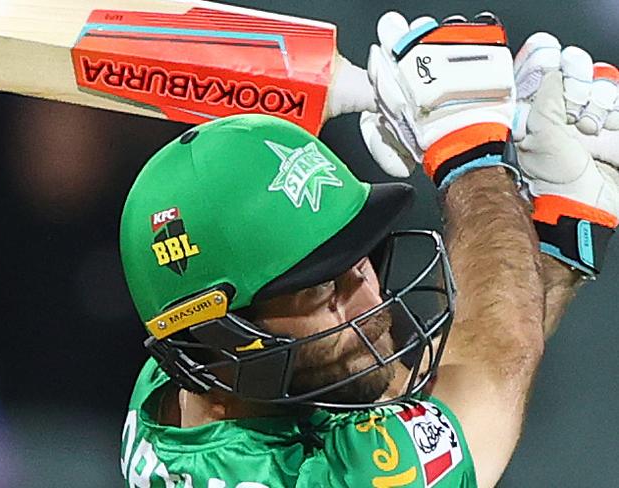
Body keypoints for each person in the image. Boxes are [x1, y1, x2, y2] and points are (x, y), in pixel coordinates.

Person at [118, 12, 619, 488]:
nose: (370, 303)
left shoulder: (204, 382)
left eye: (358, 263)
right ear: (220, 333)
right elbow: (492, 370)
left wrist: (561, 227)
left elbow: (442, 404)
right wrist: (467, 150)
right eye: (320, 291)